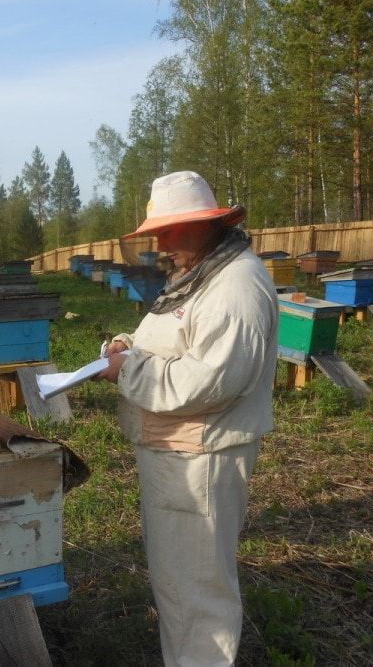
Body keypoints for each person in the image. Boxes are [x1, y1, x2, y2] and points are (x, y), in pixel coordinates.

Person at [95, 171, 278, 666]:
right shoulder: (201, 274)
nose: (161, 243)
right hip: (180, 453)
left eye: (170, 231)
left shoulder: (235, 286)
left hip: (201, 457)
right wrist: (126, 347)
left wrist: (126, 371)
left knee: (197, 590)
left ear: (206, 225)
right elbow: (173, 343)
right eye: (157, 231)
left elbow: (210, 382)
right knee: (178, 581)